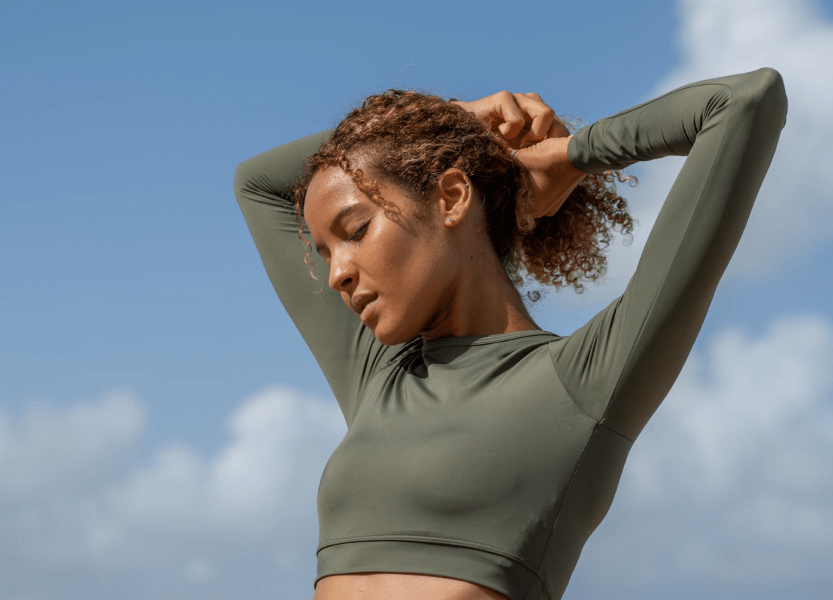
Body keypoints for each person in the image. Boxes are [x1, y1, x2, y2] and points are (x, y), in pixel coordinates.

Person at [233, 68, 787, 600]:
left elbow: (742, 102)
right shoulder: (380, 376)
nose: (337, 274)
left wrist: (575, 154)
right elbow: (256, 184)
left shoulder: (583, 384)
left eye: (356, 231)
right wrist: (452, 121)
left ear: (451, 198)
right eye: (325, 254)